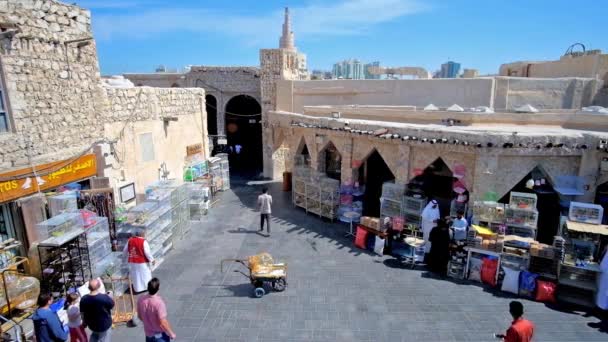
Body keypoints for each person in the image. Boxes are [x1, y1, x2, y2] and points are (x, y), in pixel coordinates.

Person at [123, 229, 155, 294]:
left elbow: (125, 251)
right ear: (142, 234)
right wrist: (152, 259)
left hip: (132, 261)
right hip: (142, 261)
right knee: (145, 275)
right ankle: (146, 287)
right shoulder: (143, 241)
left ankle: (137, 289)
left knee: (136, 275)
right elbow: (147, 252)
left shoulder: (130, 240)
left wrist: (124, 258)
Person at [597, 245, 608, 310]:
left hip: (604, 267)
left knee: (603, 287)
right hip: (604, 267)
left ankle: (602, 305)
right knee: (602, 287)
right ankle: (602, 305)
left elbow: (604, 251)